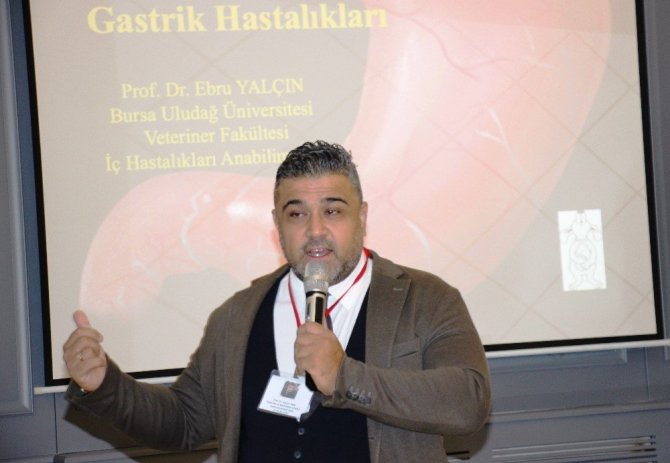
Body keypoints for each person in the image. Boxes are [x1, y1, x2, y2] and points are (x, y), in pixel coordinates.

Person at [63, 140, 491, 462]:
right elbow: (185, 420)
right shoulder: (237, 315)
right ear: (277, 224)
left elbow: (468, 402)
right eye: (297, 213)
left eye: (333, 211)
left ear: (362, 216)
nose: (315, 230)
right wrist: (105, 385)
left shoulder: (423, 298)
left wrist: (344, 377)